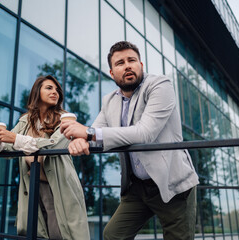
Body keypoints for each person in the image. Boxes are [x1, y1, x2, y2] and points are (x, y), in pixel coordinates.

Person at [60, 41, 199, 240]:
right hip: (137, 188)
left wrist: (88, 134)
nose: (127, 66)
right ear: (111, 72)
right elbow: (96, 134)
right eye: (120, 63)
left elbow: (144, 134)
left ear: (140, 65)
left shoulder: (160, 85)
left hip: (172, 183)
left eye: (132, 60)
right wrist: (81, 141)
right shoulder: (109, 100)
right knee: (113, 235)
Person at [0, 75, 90, 240]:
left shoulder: (66, 119)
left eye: (57, 90)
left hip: (58, 185)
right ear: (37, 92)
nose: (54, 92)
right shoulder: (25, 121)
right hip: (32, 185)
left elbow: (53, 145)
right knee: (36, 233)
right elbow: (7, 149)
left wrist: (15, 139)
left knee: (60, 233)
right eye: (49, 88)